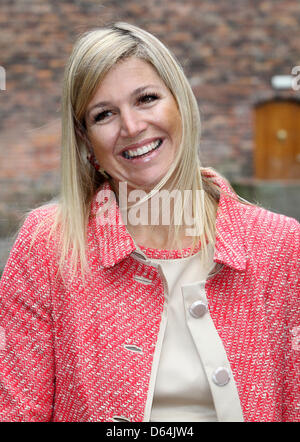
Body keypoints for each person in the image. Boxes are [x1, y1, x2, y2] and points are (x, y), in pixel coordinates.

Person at [0, 22, 299, 423]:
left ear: (181, 103)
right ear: (86, 141)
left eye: (147, 99)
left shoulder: (281, 246)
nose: (132, 127)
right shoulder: (48, 245)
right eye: (104, 114)